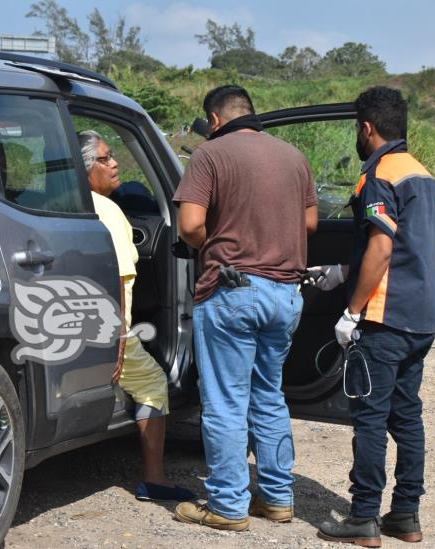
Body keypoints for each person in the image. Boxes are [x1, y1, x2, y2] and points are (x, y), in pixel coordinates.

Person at [171, 85, 318, 531]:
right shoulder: (293, 157)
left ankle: (228, 505)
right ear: (250, 113)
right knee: (269, 397)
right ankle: (277, 498)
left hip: (232, 289)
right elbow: (310, 222)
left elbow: (190, 224)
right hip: (285, 294)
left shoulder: (211, 155)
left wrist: (215, 243)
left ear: (214, 120)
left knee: (225, 402)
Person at [309, 86, 435, 546]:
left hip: (383, 320)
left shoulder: (379, 175)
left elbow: (383, 246)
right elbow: (404, 248)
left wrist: (351, 309)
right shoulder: (421, 174)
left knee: (368, 417)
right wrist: (343, 269)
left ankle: (363, 516)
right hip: (420, 318)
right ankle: (405, 514)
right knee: (406, 417)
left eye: (356, 128)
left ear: (366, 128)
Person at [77, 130, 194, 503]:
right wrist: (119, 343)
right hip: (107, 328)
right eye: (105, 159)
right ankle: (155, 479)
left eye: (112, 157)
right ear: (85, 168)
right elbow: (121, 284)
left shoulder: (56, 202)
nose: (114, 165)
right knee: (154, 382)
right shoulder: (109, 213)